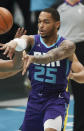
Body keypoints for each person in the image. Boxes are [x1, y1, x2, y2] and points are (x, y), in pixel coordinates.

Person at [0, 8, 75, 131]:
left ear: (57, 24)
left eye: (46, 22)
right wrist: (15, 42)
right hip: (35, 99)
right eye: (39, 22)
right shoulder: (33, 40)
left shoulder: (67, 45)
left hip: (56, 99)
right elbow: (24, 40)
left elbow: (51, 56)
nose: (41, 26)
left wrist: (33, 58)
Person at [56, 0, 84, 130]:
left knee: (81, 93)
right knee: (57, 93)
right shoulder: (57, 7)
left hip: (81, 48)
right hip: (61, 49)